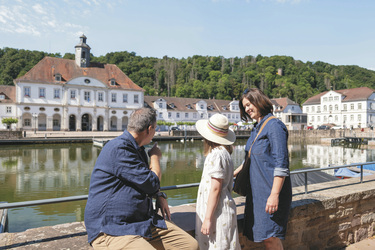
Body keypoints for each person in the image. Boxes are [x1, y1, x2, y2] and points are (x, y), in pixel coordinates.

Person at [84, 107, 198, 250]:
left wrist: (159, 195)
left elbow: (143, 182)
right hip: (112, 228)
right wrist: (155, 156)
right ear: (149, 129)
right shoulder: (119, 149)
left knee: (190, 246)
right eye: (155, 129)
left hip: (141, 222)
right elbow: (151, 183)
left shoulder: (137, 149)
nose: (155, 132)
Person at [234, 88, 292, 250]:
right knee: (266, 236)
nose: (247, 109)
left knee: (271, 237)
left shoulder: (274, 126)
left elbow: (282, 164)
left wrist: (274, 195)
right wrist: (232, 173)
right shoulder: (257, 127)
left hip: (270, 191)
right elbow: (251, 158)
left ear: (259, 101)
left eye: (249, 104)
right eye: (244, 106)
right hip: (258, 192)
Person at [195, 114, 240, 250]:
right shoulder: (224, 152)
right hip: (222, 207)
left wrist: (207, 219)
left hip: (217, 213)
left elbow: (216, 188)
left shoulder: (216, 154)